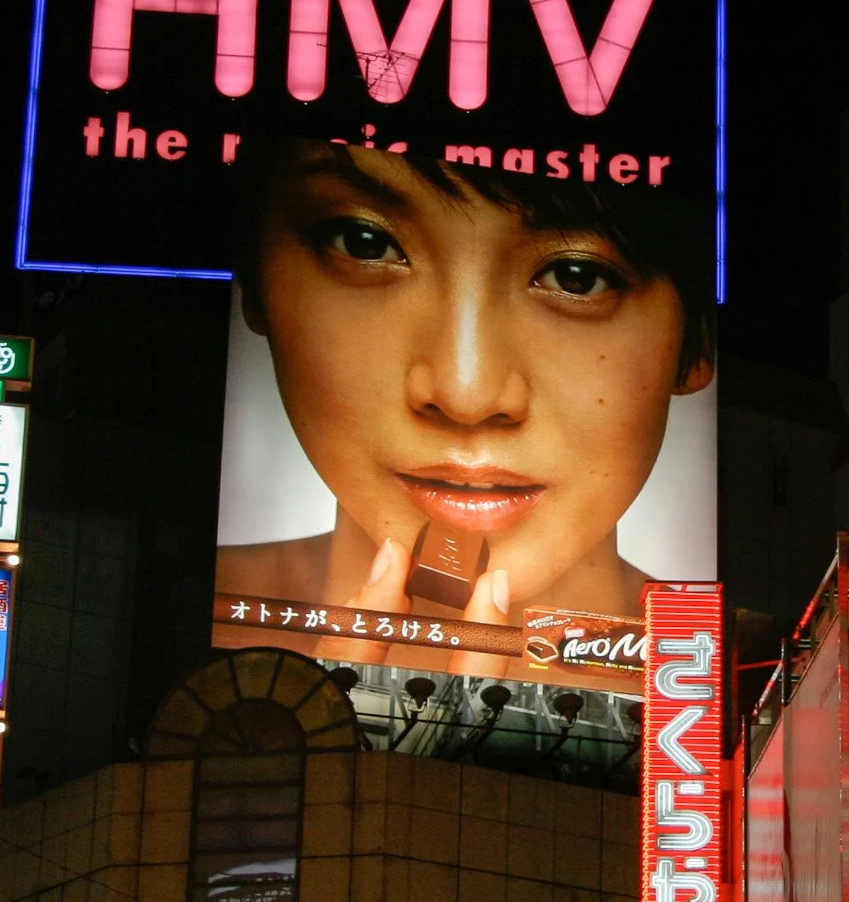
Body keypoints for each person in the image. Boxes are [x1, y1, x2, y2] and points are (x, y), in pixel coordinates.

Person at [217, 139, 713, 671]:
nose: (466, 395)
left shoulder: (739, 688)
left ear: (694, 349)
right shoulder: (168, 623)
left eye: (578, 277)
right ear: (255, 287)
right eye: (364, 243)